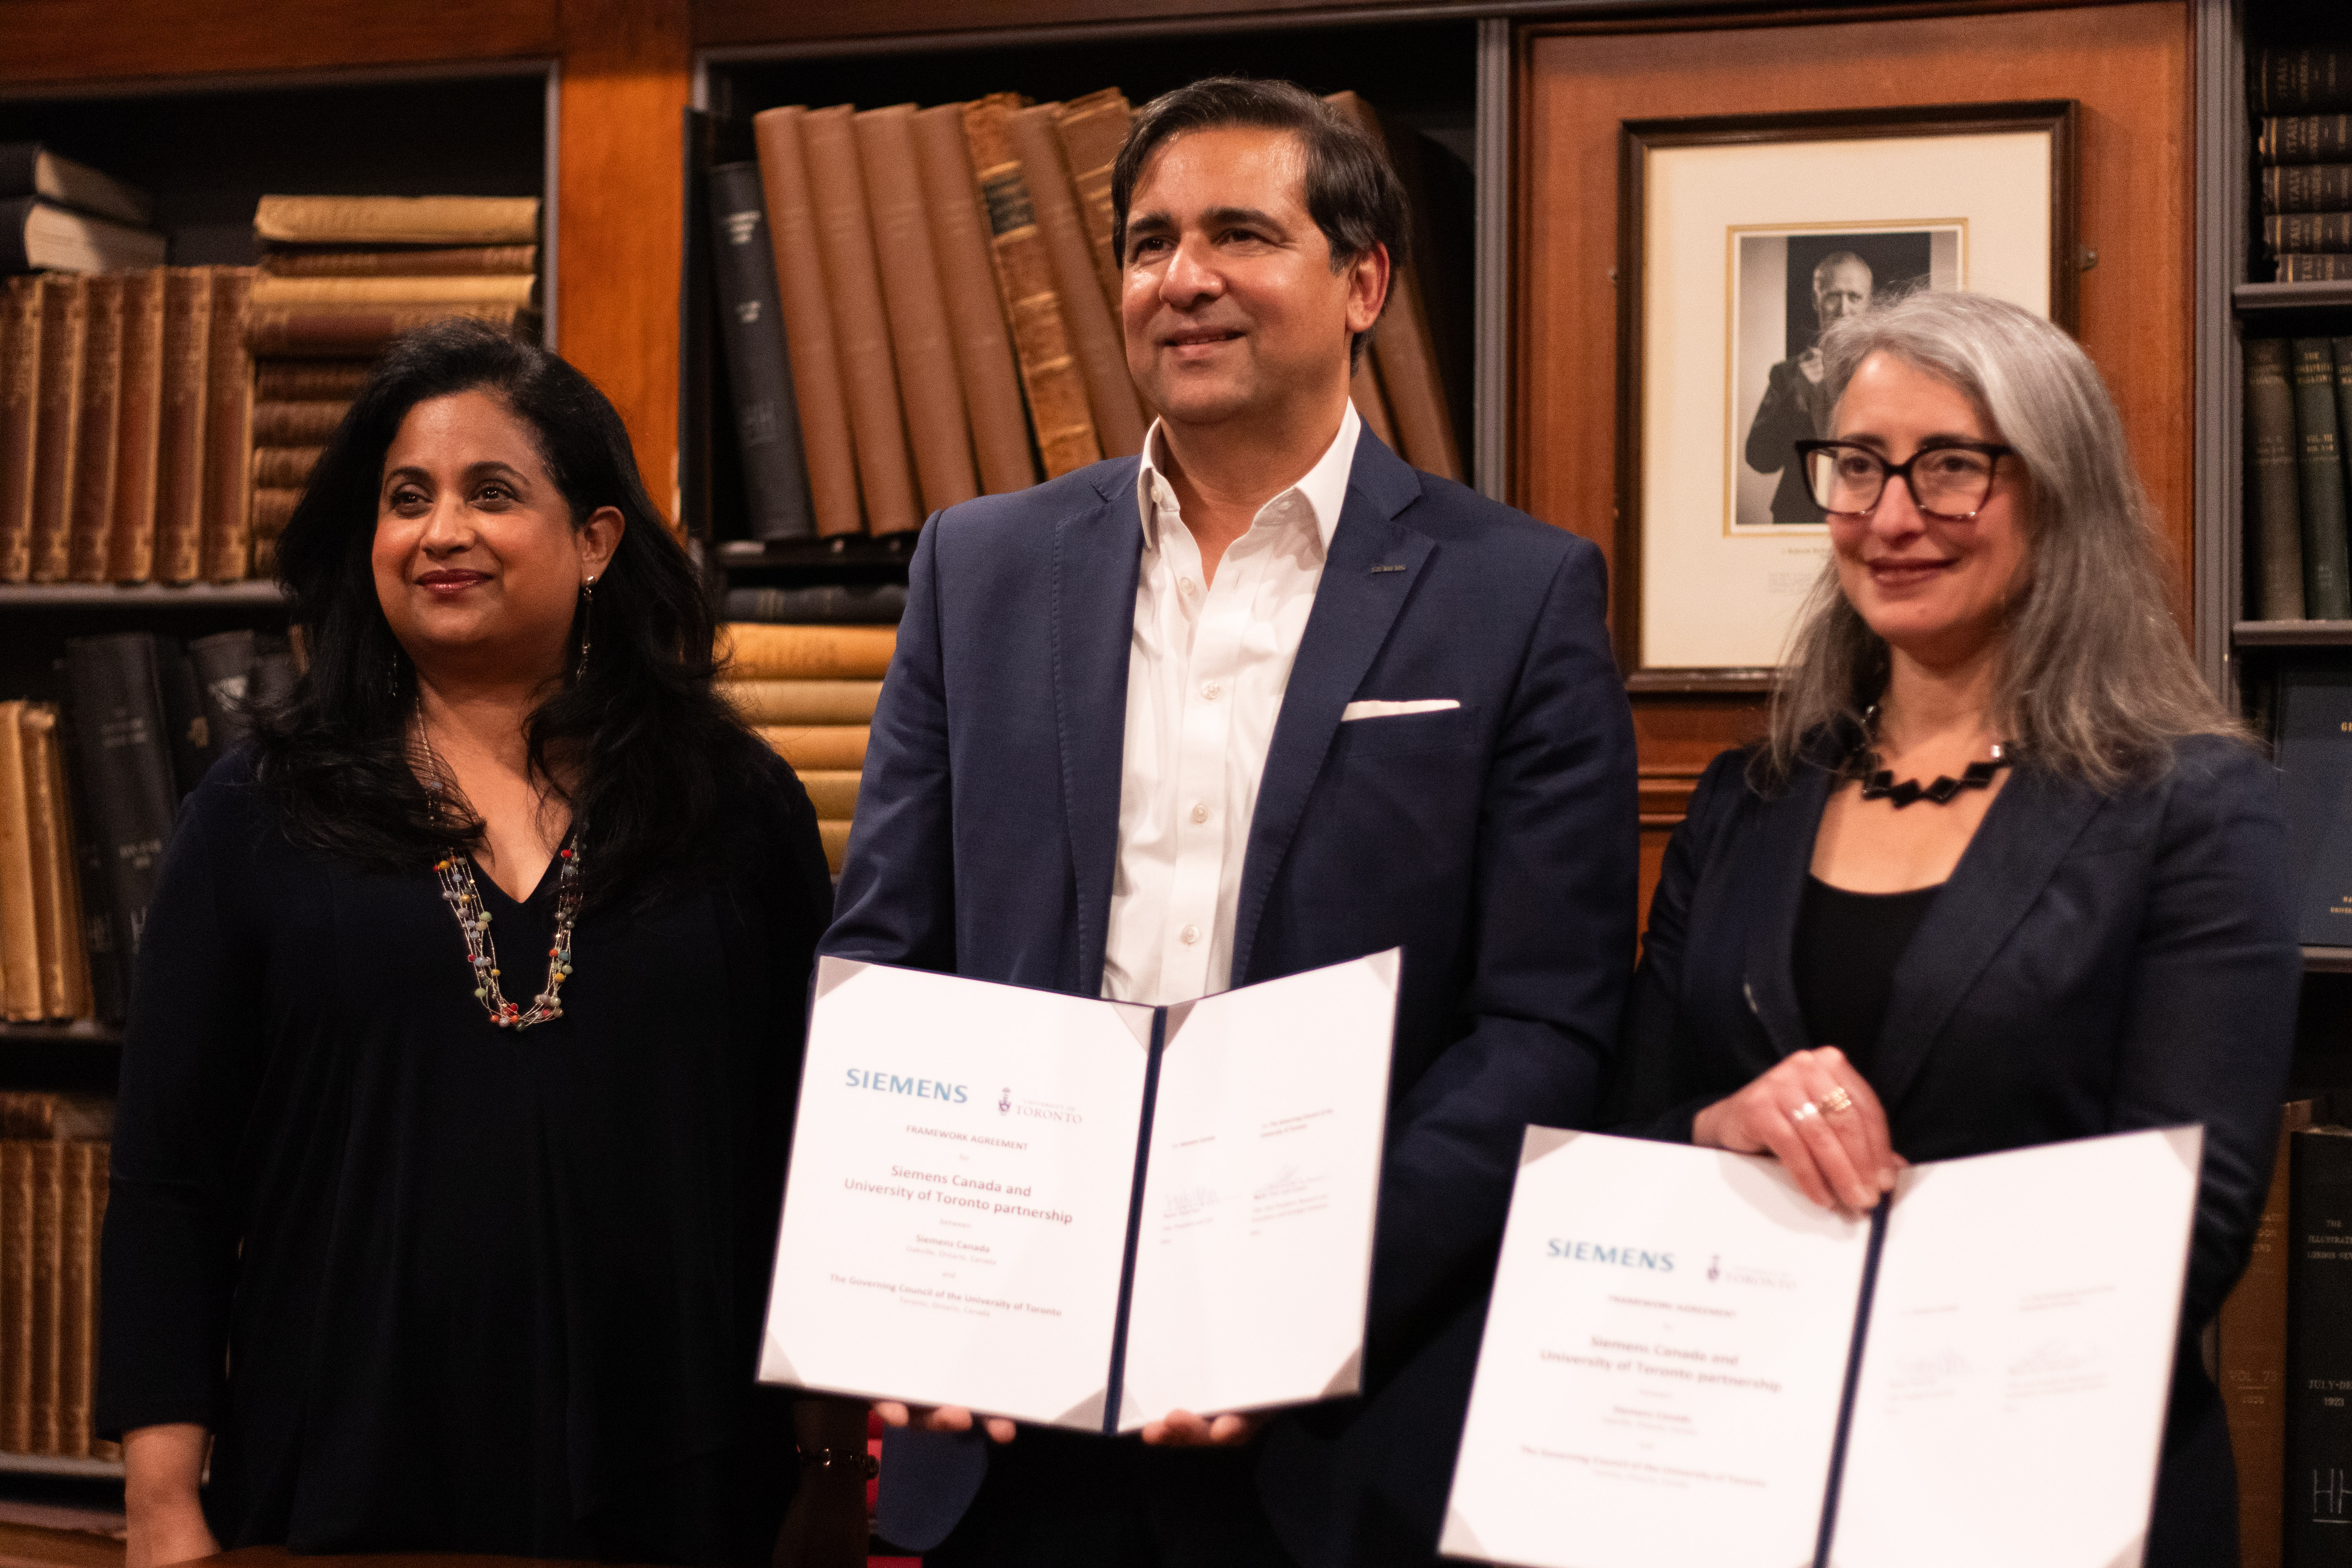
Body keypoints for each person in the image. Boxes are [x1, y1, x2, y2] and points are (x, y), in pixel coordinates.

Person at [824, 76, 1637, 1568]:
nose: (1180, 277)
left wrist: (1307, 1300)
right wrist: (905, 1282)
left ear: (1363, 281)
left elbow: (1545, 1022)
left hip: (1341, 1429)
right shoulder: (977, 569)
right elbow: (891, 960)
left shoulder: (1513, 595)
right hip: (1009, 1421)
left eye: (1238, 234)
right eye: (1146, 242)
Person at [96, 320, 847, 1567]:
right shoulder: (256, 810)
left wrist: (828, 1464)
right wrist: (163, 1507)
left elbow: (809, 1155)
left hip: (683, 1482)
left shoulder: (733, 805)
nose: (441, 532)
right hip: (340, 1486)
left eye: (491, 492)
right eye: (406, 499)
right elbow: (171, 1181)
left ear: (595, 539)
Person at [1610, 289, 2297, 1567]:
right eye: (1858, 467)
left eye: (1950, 468)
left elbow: (2186, 1234)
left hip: (2036, 1499)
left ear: (2058, 489)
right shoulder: (1746, 800)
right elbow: (1632, 1134)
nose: (1890, 515)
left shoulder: (2192, 808)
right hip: (1734, 1487)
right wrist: (1717, 1127)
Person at [1744, 251, 1874, 523]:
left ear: (1869, 303)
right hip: (1798, 515)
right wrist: (1797, 393)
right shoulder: (1787, 374)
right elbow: (1761, 460)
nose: (1844, 309)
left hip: (1869, 513)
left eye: (1855, 297)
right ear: (1817, 301)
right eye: (1832, 297)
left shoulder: (1891, 372)